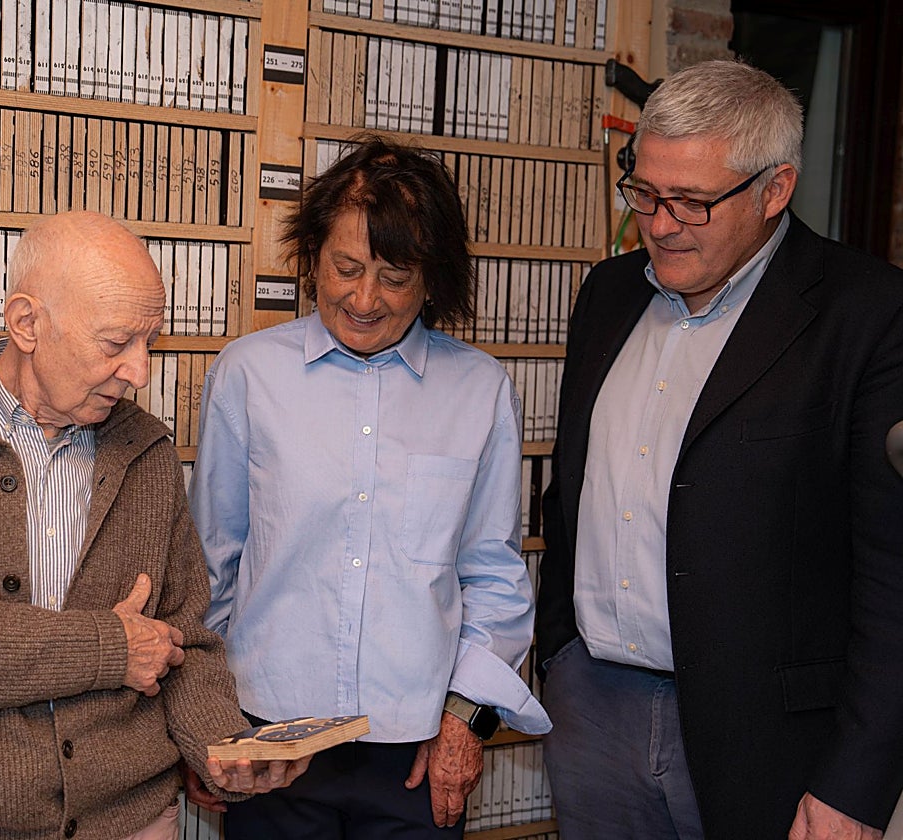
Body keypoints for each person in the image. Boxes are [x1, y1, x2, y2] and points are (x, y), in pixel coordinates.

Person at [0, 211, 309, 840]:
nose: (139, 371)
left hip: (138, 818)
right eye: (116, 344)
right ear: (27, 323)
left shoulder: (146, 447)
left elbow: (184, 637)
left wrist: (222, 750)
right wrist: (107, 650)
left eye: (149, 342)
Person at [537, 59, 903, 840]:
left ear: (775, 190)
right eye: (644, 192)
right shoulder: (608, 294)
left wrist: (858, 783)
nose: (659, 224)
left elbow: (893, 575)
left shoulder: (867, 315)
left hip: (768, 740)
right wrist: (558, 657)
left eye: (692, 202)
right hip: (594, 707)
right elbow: (571, 492)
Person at [186, 135, 551, 839]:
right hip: (271, 740)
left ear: (433, 279)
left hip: (415, 751)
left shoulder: (479, 391)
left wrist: (463, 720)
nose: (363, 298)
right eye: (345, 268)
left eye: (394, 276)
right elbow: (211, 567)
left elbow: (494, 576)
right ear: (311, 258)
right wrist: (203, 724)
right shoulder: (247, 377)